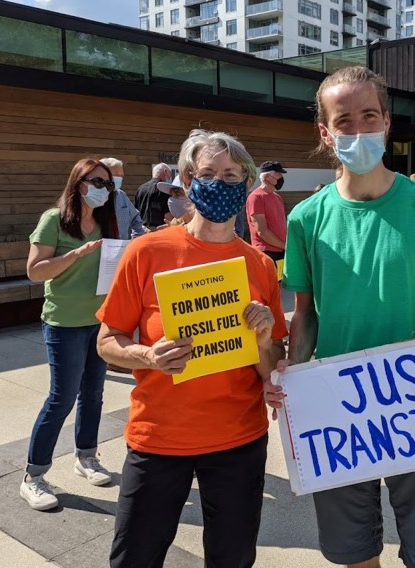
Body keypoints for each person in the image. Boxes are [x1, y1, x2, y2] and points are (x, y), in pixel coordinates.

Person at [265, 66, 415, 568]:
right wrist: (295, 388)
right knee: (354, 553)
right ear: (325, 133)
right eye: (344, 120)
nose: (357, 130)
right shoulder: (307, 218)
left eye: (368, 116)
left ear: (387, 123)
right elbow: (305, 317)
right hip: (336, 406)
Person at [95, 129, 288, 568]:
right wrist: (147, 356)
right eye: (208, 173)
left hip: (238, 439)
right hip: (160, 437)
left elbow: (270, 368)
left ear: (245, 182)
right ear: (186, 178)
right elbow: (107, 342)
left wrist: (263, 338)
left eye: (231, 174)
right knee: (134, 558)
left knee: (232, 558)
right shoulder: (146, 252)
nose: (220, 183)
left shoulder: (258, 266)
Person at [20, 158, 119, 511]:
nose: (103, 189)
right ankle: (34, 476)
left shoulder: (107, 221)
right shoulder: (54, 220)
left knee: (93, 394)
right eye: (97, 182)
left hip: (99, 321)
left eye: (108, 184)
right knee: (62, 397)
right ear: (78, 183)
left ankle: (86, 457)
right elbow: (35, 271)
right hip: (64, 323)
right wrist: (77, 254)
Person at [247, 160, 288, 263]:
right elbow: (262, 231)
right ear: (267, 177)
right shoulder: (256, 197)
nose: (281, 178)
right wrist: (285, 246)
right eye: (278, 174)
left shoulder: (277, 197)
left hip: (281, 249)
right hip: (267, 252)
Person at [100, 157, 147, 240]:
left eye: (121, 176)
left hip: (120, 249)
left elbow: (135, 218)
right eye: (116, 175)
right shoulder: (94, 197)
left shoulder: (121, 195)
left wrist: (137, 238)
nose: (119, 178)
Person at [134, 162, 173, 230]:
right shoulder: (164, 189)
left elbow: (135, 211)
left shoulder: (140, 189)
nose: (170, 178)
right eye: (170, 175)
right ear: (165, 171)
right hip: (158, 230)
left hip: (141, 229)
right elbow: (168, 215)